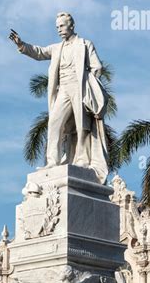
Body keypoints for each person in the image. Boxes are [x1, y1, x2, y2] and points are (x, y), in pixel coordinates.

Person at [9, 12, 109, 182]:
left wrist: (89, 85)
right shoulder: (56, 48)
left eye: (62, 26)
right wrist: (21, 44)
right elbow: (39, 52)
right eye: (57, 27)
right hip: (63, 89)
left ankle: (82, 159)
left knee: (82, 125)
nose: (59, 30)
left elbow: (97, 67)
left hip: (79, 87)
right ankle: (52, 161)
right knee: (54, 122)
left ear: (72, 26)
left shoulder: (84, 44)